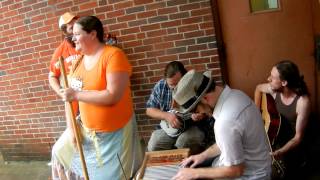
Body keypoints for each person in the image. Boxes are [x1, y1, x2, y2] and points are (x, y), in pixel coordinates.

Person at [57, 16, 143, 180]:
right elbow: (70, 99)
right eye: (72, 34)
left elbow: (113, 95)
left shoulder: (114, 55)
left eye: (77, 34)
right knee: (59, 153)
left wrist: (76, 94)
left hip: (116, 134)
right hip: (88, 132)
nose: (72, 38)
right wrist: (71, 129)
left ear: (92, 34)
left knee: (116, 176)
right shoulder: (78, 62)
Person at [172, 70, 272, 180]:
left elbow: (236, 170)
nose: (197, 114)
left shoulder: (225, 122)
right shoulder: (237, 94)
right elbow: (228, 143)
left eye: (195, 109)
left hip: (251, 176)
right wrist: (202, 156)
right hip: (261, 167)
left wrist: (195, 173)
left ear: (205, 98)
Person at [255, 60, 311, 179]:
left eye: (273, 77)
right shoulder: (273, 90)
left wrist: (280, 151)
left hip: (292, 146)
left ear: (284, 82)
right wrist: (257, 112)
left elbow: (298, 138)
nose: (268, 78)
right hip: (277, 135)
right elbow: (258, 88)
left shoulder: (302, 102)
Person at [146, 61, 207, 154]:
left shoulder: (194, 82)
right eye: (171, 85)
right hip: (169, 128)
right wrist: (166, 116)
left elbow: (207, 107)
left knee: (183, 143)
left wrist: (200, 115)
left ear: (185, 76)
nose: (174, 88)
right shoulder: (161, 86)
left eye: (177, 83)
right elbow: (149, 110)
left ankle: (189, 166)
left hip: (193, 126)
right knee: (153, 145)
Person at [49, 12, 80, 97]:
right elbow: (52, 76)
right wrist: (61, 93)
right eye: (72, 28)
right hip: (73, 99)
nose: (76, 31)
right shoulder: (60, 51)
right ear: (64, 32)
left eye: (77, 26)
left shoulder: (87, 44)